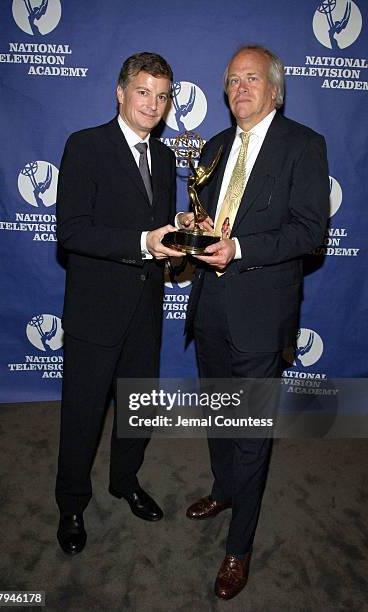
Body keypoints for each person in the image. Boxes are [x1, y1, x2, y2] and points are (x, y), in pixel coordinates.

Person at [179, 45, 329, 600]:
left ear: (274, 89)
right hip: (210, 310)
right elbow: (208, 220)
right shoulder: (216, 148)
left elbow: (310, 232)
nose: (241, 88)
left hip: (262, 317)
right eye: (233, 80)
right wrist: (190, 227)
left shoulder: (304, 146)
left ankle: (238, 548)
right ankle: (224, 489)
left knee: (251, 432)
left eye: (252, 79)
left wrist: (239, 247)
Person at [55, 52, 181, 555]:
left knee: (138, 408)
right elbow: (71, 231)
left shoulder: (168, 158)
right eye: (144, 92)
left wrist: (177, 246)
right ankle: (70, 503)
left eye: (163, 95)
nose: (153, 104)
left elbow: (158, 229)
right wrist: (141, 243)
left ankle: (124, 481)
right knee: (82, 414)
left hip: (146, 308)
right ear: (121, 92)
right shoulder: (85, 146)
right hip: (95, 309)